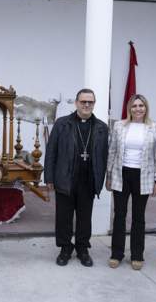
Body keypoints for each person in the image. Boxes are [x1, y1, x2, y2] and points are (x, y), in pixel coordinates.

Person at [44, 88, 108, 267]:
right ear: (76, 103)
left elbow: (105, 155)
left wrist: (102, 178)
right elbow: (51, 152)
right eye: (83, 101)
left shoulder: (102, 127)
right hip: (65, 178)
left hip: (89, 180)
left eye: (90, 102)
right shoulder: (62, 124)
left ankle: (82, 248)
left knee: (84, 217)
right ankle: (65, 248)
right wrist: (49, 177)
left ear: (94, 104)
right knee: (63, 217)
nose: (87, 105)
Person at [106, 94, 156, 270]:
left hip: (143, 176)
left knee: (139, 217)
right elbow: (112, 151)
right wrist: (108, 175)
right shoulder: (119, 126)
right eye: (134, 106)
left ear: (146, 108)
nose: (138, 109)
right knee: (119, 215)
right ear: (129, 108)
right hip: (121, 173)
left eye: (141, 105)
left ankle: (137, 255)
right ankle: (117, 254)